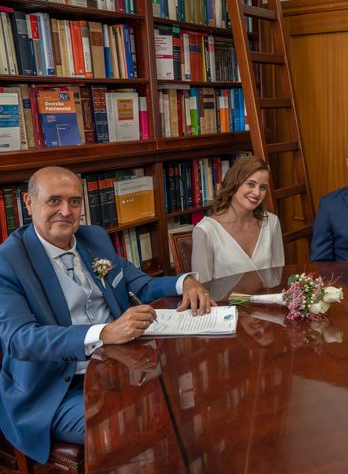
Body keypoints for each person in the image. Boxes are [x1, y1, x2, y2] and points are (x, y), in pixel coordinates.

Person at [0, 166, 212, 463]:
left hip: (119, 366)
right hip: (55, 391)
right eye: (54, 201)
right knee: (130, 424)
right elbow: (20, 339)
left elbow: (140, 283)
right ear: (28, 202)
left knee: (188, 395)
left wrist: (185, 281)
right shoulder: (9, 260)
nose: (66, 211)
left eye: (74, 202)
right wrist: (102, 333)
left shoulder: (93, 238)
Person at [192, 156, 285, 282]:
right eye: (251, 184)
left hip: (269, 300)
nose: (257, 193)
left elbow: (277, 278)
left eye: (262, 187)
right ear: (234, 184)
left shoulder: (271, 223)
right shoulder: (205, 230)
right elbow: (202, 289)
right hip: (224, 302)